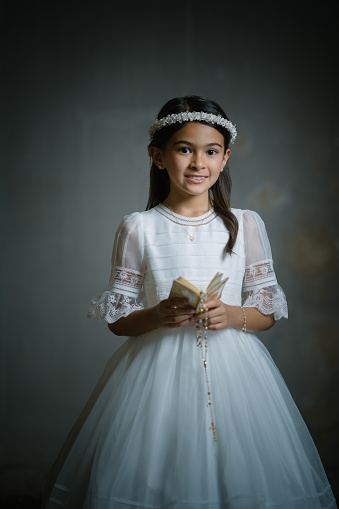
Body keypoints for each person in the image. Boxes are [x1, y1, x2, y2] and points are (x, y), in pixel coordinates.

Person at [42, 96, 336, 508]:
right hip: (154, 373)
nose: (199, 163)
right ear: (158, 157)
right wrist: (154, 314)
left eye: (211, 151)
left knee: (240, 470)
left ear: (225, 158)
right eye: (184, 149)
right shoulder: (138, 227)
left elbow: (267, 311)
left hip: (237, 371)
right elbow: (118, 319)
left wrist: (233, 314)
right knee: (158, 470)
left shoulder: (245, 224)